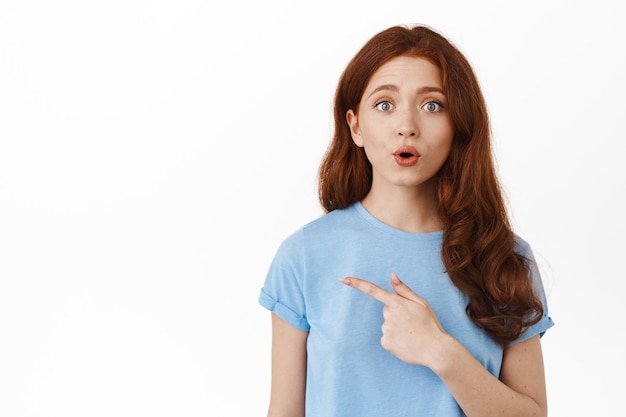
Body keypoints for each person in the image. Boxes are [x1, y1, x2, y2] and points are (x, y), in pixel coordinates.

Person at [258, 23, 554, 417]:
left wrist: (441, 351)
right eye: (384, 104)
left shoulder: (504, 257)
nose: (407, 126)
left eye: (433, 105)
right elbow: (285, 410)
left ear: (458, 125)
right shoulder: (305, 255)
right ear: (355, 125)